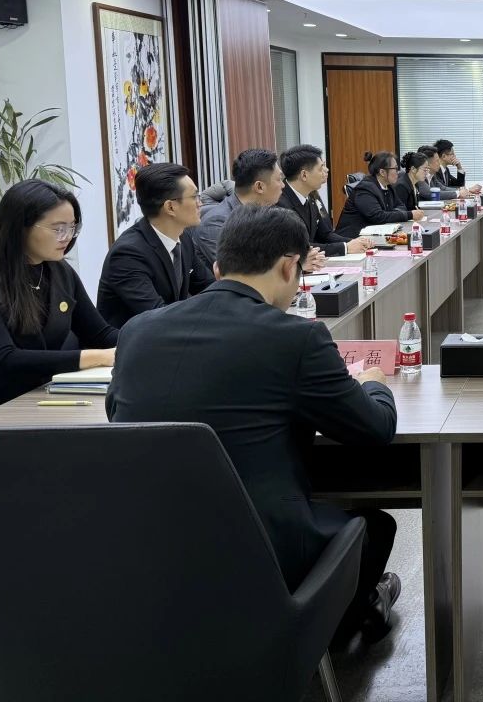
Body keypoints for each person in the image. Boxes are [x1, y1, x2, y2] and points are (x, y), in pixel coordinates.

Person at [107, 206, 403, 643]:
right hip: (258, 553)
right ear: (289, 267)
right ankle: (334, 630)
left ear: (217, 267)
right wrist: (374, 383)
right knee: (376, 526)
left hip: (146, 548)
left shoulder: (137, 331)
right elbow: (376, 429)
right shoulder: (296, 337)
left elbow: (115, 414)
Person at [0, 180, 117, 415]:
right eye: (58, 229)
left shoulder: (59, 271)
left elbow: (100, 333)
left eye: (72, 228)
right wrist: (96, 357)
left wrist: (144, 340)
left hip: (45, 396)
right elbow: (3, 358)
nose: (67, 237)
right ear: (20, 227)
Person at [96, 163, 214, 328]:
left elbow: (209, 288)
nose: (200, 203)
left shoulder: (184, 238)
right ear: (170, 207)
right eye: (194, 197)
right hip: (132, 341)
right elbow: (157, 316)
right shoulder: (128, 254)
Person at [277, 145, 373, 257]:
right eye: (321, 167)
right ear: (304, 175)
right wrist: (345, 247)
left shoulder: (310, 195)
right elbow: (298, 247)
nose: (326, 170)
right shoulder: (280, 203)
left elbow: (325, 235)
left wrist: (355, 242)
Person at [194, 148, 285, 264]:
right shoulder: (216, 223)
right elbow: (240, 270)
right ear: (259, 187)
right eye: (279, 179)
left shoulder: (268, 214)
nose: (283, 185)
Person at [334, 151, 422, 237]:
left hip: (375, 235)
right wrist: (409, 215)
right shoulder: (365, 188)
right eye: (395, 168)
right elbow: (378, 216)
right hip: (351, 238)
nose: (397, 172)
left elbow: (401, 206)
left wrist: (390, 214)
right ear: (382, 172)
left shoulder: (389, 187)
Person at [390, 151, 431, 221]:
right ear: (413, 169)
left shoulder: (416, 183)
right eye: (425, 170)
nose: (427, 173)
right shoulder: (401, 186)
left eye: (428, 169)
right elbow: (400, 212)